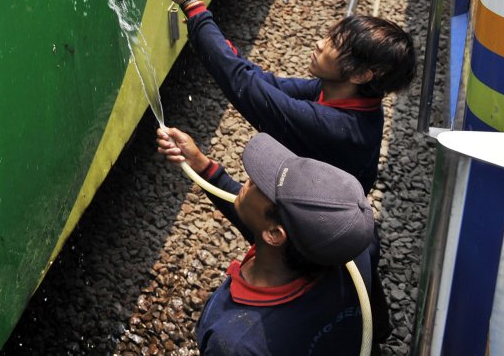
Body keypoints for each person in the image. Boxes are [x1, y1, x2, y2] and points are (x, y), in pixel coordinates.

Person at [140, 0, 416, 194]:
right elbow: (257, 79)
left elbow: (242, 84)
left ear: (361, 75)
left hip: (307, 246)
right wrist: (202, 163)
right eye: (329, 36)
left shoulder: (335, 128)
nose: (320, 43)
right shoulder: (349, 99)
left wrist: (192, 4)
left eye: (335, 44)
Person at [157, 127, 376, 356]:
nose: (249, 180)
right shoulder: (348, 245)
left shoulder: (237, 344)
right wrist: (204, 167)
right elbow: (262, 221)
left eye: (259, 185)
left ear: (274, 235)